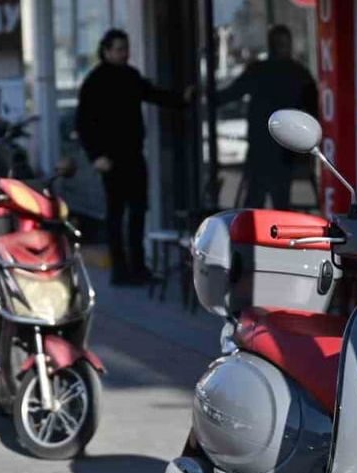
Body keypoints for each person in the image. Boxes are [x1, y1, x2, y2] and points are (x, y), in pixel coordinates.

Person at [75, 28, 191, 286]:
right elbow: (84, 123)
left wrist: (182, 99)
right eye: (118, 49)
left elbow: (152, 94)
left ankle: (138, 269)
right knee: (116, 215)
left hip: (134, 155)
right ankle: (120, 271)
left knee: (138, 212)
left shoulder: (130, 76)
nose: (124, 53)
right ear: (106, 51)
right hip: (110, 159)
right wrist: (97, 156)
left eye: (126, 49)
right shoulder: (95, 81)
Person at [218, 25, 318, 210]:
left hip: (264, 147)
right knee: (279, 201)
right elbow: (315, 110)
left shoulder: (261, 71)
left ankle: (250, 236)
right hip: (284, 147)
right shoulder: (298, 74)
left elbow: (231, 93)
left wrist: (204, 99)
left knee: (255, 200)